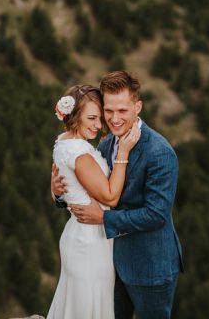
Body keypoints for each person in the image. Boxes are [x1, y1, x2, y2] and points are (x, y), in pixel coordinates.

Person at [52, 71, 184, 319]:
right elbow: (88, 186)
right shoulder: (105, 144)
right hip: (107, 261)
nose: (113, 119)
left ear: (138, 106)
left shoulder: (160, 152)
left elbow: (156, 215)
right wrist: (60, 194)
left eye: (122, 111)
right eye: (108, 111)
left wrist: (104, 218)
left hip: (150, 265)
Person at [47, 84, 141, 319]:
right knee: (89, 305)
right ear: (73, 115)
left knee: (80, 304)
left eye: (100, 118)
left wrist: (57, 193)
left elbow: (68, 185)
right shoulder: (79, 153)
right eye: (91, 118)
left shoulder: (63, 141)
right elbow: (110, 196)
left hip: (81, 236)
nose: (99, 126)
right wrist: (123, 154)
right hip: (89, 242)